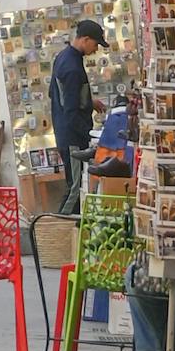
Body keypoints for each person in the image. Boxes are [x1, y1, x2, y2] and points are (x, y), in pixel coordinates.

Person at [50, 18, 108, 209]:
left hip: (64, 132)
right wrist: (90, 135)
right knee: (74, 189)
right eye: (95, 44)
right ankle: (58, 229)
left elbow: (57, 95)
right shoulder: (73, 68)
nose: (96, 49)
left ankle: (65, 230)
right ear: (85, 39)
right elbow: (71, 111)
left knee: (73, 186)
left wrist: (88, 103)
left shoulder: (63, 57)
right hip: (73, 137)